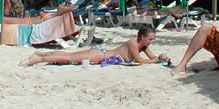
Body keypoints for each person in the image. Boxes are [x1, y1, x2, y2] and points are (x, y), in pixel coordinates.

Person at [25, 26, 169, 66]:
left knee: (69, 57)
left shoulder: (142, 46)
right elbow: (140, 60)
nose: (151, 42)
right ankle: (39, 58)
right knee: (68, 57)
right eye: (150, 39)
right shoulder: (132, 44)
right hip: (100, 55)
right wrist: (156, 61)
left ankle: (41, 56)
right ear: (142, 37)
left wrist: (160, 58)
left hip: (101, 55)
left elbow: (151, 58)